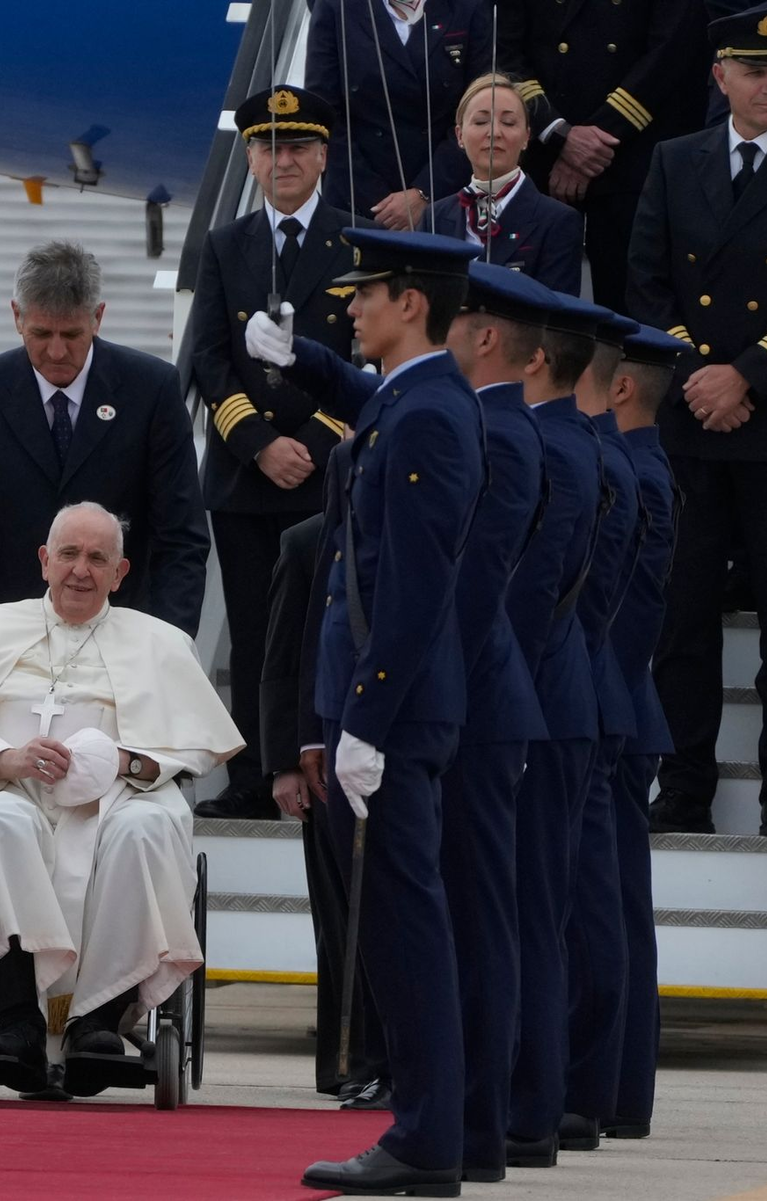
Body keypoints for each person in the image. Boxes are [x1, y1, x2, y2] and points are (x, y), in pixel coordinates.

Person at [248, 227, 486, 1196]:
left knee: (404, 926)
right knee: (397, 924)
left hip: (394, 712)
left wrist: (370, 722)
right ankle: (430, 1126)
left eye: (366, 295)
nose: (351, 308)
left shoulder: (429, 417)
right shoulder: (412, 401)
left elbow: (419, 589)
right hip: (381, 706)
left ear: (412, 304)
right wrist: (301, 359)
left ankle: (427, 1136)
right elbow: (371, 408)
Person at [0, 503, 242, 1093]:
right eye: (68, 554)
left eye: (98, 558)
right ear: (44, 561)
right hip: (12, 788)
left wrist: (131, 762)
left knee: (145, 831)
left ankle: (97, 1023)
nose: (80, 570)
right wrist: (8, 759)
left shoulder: (164, 643)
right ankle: (17, 1021)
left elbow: (198, 748)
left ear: (120, 573)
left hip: (122, 800)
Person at [191, 86, 357, 820]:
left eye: (296, 146)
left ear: (321, 155)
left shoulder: (354, 242)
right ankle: (256, 774)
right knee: (254, 631)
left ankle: (319, 763)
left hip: (324, 473)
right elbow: (207, 356)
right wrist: (258, 445)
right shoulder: (228, 245)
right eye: (266, 146)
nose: (281, 159)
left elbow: (363, 357)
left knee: (321, 626)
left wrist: (313, 444)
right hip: (245, 473)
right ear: (251, 158)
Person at [628, 2, 767, 838]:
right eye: (752, 70)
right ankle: (684, 785)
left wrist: (744, 375)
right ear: (720, 77)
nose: (766, 86)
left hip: (765, 418)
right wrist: (697, 375)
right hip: (689, 424)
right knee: (680, 619)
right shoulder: (675, 162)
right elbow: (644, 282)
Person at [0, 241, 208, 651]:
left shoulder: (151, 391)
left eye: (72, 334)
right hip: (8, 638)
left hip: (126, 636)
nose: (56, 352)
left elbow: (181, 538)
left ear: (98, 318)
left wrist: (165, 646)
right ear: (17, 317)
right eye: (41, 333)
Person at [440, 261, 553, 1182]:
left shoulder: (505, 436)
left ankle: (484, 1112)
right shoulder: (498, 425)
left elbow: (481, 589)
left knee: (482, 914)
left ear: (485, 337)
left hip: (477, 703)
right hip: (478, 700)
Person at [503, 291, 607, 1169]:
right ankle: (533, 1097)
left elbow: (531, 595)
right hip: (552, 698)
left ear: (533, 358)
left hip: (535, 702)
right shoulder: (572, 442)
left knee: (530, 910)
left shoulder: (553, 448)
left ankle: (530, 1105)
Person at [258, 438, 389, 1108]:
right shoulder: (307, 544)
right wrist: (285, 759)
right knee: (341, 922)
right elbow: (283, 659)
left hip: (397, 754)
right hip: (322, 765)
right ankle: (347, 1060)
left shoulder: (409, 546)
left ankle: (390, 1053)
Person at [559, 308, 643, 1152]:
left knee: (580, 908)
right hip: (596, 694)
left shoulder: (600, 462)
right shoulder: (614, 458)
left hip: (580, 697)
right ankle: (599, 1090)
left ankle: (584, 1089)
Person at [497, 0, 709, 311]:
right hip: (544, 157)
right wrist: (558, 134)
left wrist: (594, 139)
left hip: (632, 157)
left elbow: (671, 51)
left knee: (629, 315)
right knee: (534, 314)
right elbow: (505, 52)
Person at [604, 323, 683, 1139]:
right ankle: (619, 1089)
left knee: (610, 907)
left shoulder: (636, 476)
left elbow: (621, 621)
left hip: (611, 715)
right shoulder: (636, 469)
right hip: (615, 710)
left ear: (623, 388)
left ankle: (619, 1088)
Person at [306, 0, 491, 227]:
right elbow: (322, 114)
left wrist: (425, 193)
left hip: (443, 203)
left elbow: (480, 113)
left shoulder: (467, 8)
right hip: (355, 204)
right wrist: (380, 206)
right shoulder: (335, 7)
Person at [424, 73, 584, 293]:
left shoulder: (557, 221)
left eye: (508, 123)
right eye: (480, 122)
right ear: (459, 135)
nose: (494, 133)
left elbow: (556, 317)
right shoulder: (434, 217)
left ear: (527, 137)